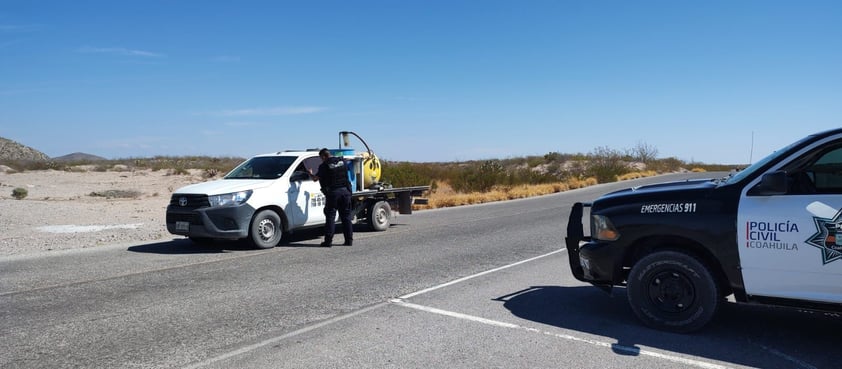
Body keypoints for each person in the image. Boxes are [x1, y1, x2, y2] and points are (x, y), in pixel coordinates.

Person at [309, 148, 353, 246]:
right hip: (345, 192)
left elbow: (315, 179)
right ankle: (349, 241)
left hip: (334, 194)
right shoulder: (343, 161)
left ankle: (328, 242)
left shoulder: (324, 166)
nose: (321, 160)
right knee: (346, 217)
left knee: (330, 217)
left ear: (324, 156)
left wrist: (310, 173)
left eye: (321, 158)